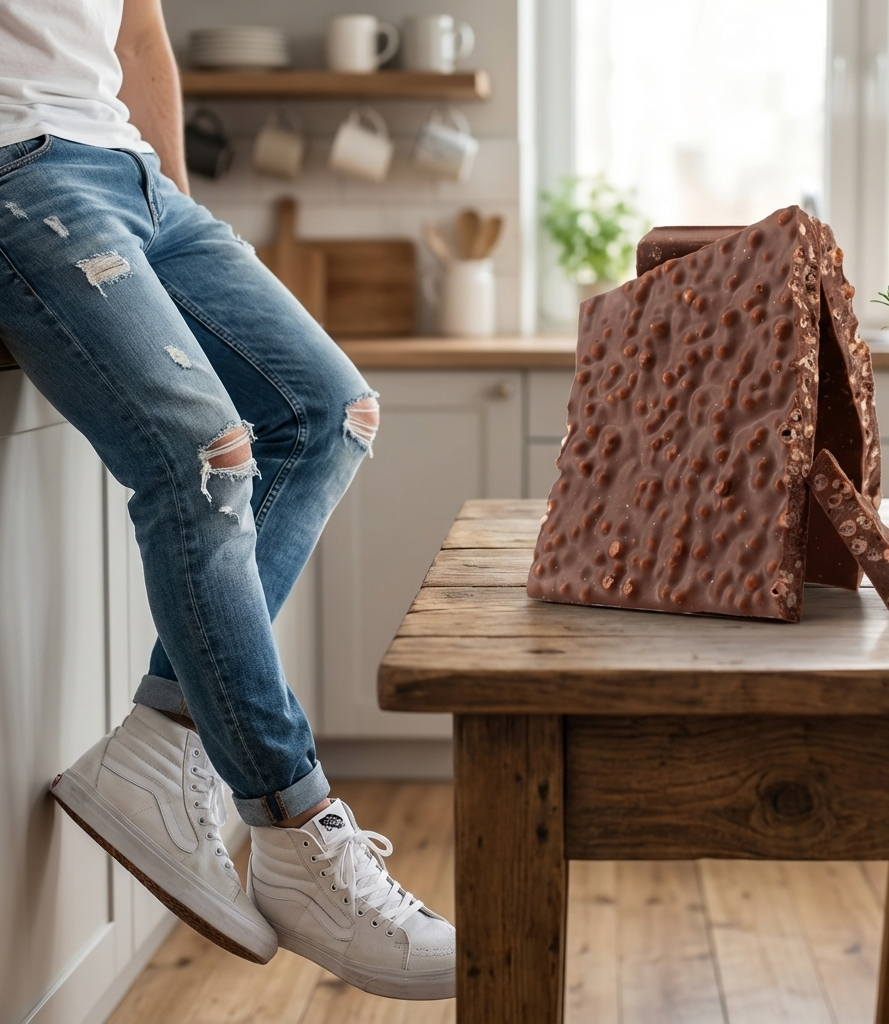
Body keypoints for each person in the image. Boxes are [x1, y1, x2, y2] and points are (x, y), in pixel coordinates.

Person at [0, 0, 455, 1000]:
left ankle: (162, 743)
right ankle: (293, 824)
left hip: (133, 174)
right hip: (18, 170)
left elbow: (138, 33)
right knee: (204, 455)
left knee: (331, 412)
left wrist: (165, 188)